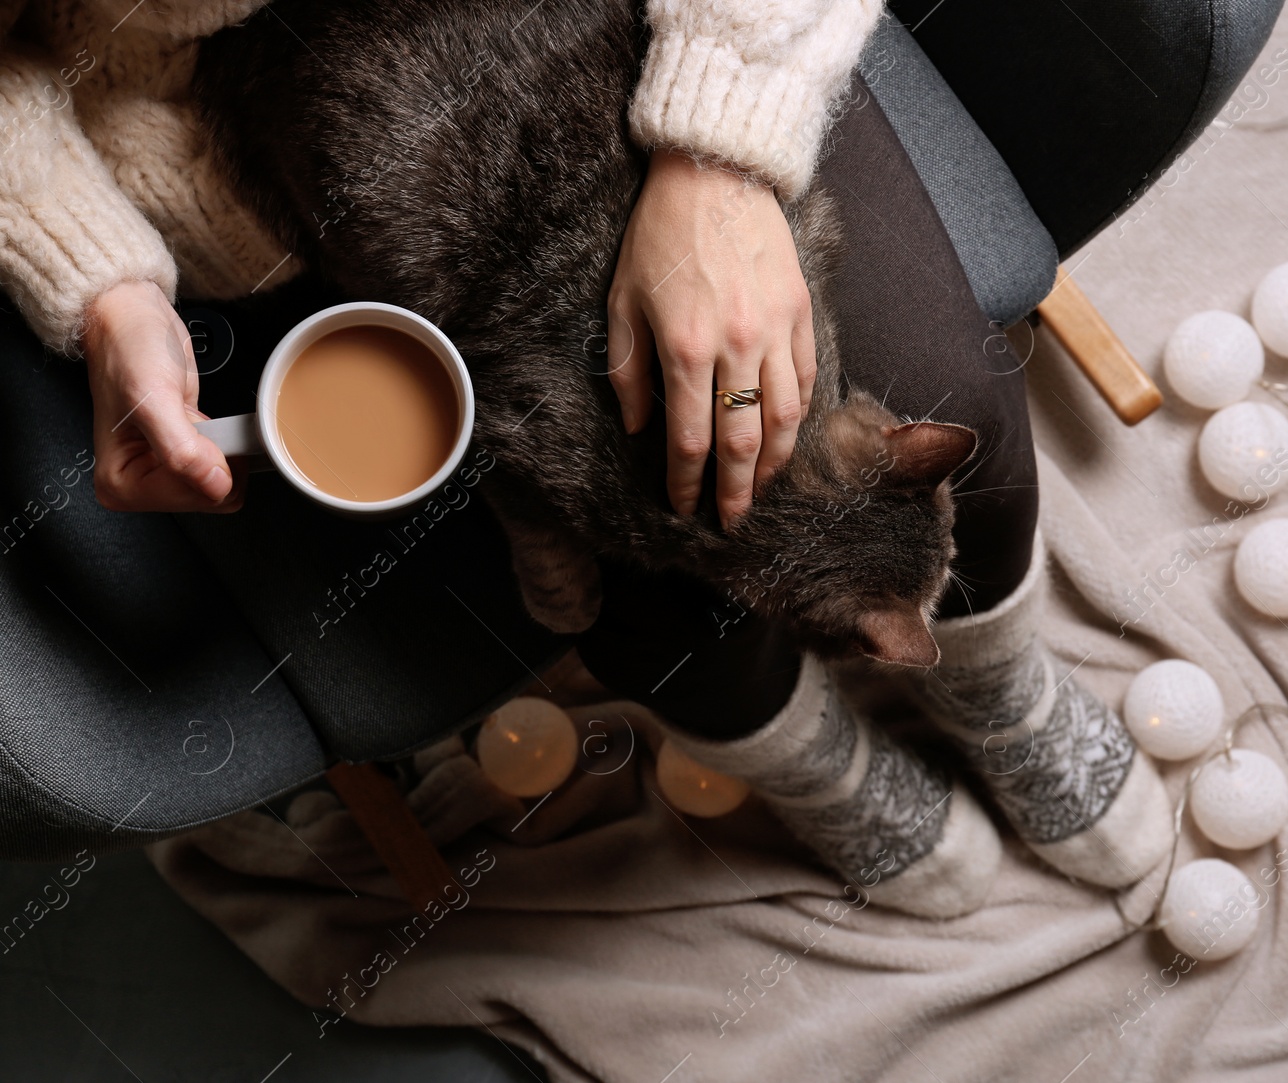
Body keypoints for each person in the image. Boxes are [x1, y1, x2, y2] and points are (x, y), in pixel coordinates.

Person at [0, 0, 1170, 908]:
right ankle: (813, 763)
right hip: (243, 113)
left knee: (965, 389)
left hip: (646, 51)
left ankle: (1000, 689)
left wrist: (719, 151)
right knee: (649, 628)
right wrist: (99, 280)